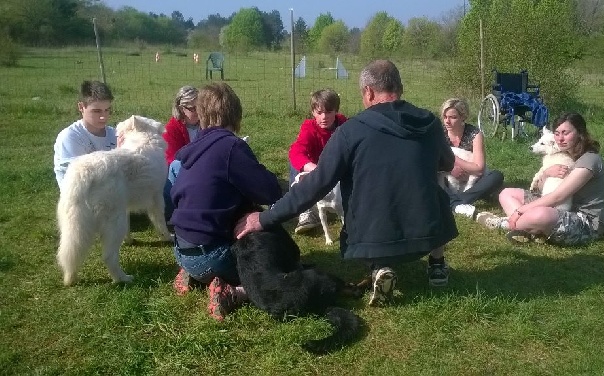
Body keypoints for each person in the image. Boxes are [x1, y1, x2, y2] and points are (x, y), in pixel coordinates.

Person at [235, 60, 458, 307]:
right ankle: (437, 264)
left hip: (372, 239)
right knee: (438, 192)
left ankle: (379, 267)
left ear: (369, 92)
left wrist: (265, 219)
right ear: (400, 87)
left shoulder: (350, 131)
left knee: (364, 204)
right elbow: (448, 164)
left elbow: (316, 184)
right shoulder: (429, 122)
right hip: (428, 234)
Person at [170, 82, 283, 321]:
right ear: (237, 116)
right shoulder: (231, 146)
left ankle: (193, 274)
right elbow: (269, 191)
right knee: (277, 262)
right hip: (213, 255)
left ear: (201, 116)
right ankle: (233, 292)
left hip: (182, 249)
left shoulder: (193, 150)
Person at [476, 112, 604, 245]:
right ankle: (532, 230)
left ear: (580, 133)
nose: (560, 138)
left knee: (540, 214)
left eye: (565, 133)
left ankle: (503, 224)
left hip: (585, 222)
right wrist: (546, 174)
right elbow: (539, 189)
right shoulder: (564, 155)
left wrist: (520, 210)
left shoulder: (589, 160)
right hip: (560, 208)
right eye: (557, 133)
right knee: (507, 193)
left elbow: (558, 197)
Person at [288, 88, 348, 234]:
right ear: (313, 112)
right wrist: (315, 168)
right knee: (296, 164)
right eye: (319, 112)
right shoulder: (309, 127)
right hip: (316, 168)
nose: (324, 117)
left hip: (339, 167)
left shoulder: (344, 125)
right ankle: (305, 210)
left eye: (328, 112)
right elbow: (296, 151)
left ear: (336, 111)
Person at [439, 98, 504, 218]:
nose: (447, 121)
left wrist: (453, 160)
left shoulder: (474, 133)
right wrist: (451, 168)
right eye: (445, 117)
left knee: (496, 176)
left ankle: (457, 201)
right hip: (446, 178)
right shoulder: (439, 133)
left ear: (463, 117)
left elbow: (479, 168)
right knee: (429, 175)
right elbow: (432, 160)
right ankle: (461, 200)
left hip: (473, 179)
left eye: (453, 117)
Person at [54, 80, 115, 190]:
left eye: (107, 110)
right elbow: (79, 179)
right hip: (81, 198)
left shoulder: (114, 134)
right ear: (81, 107)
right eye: (97, 111)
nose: (103, 117)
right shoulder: (71, 137)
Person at [162, 85, 199, 221]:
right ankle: (173, 214)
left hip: (199, 170)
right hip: (179, 174)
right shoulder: (171, 128)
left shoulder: (206, 124)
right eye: (192, 108)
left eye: (200, 107)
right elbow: (170, 159)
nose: (197, 112)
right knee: (176, 165)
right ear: (181, 109)